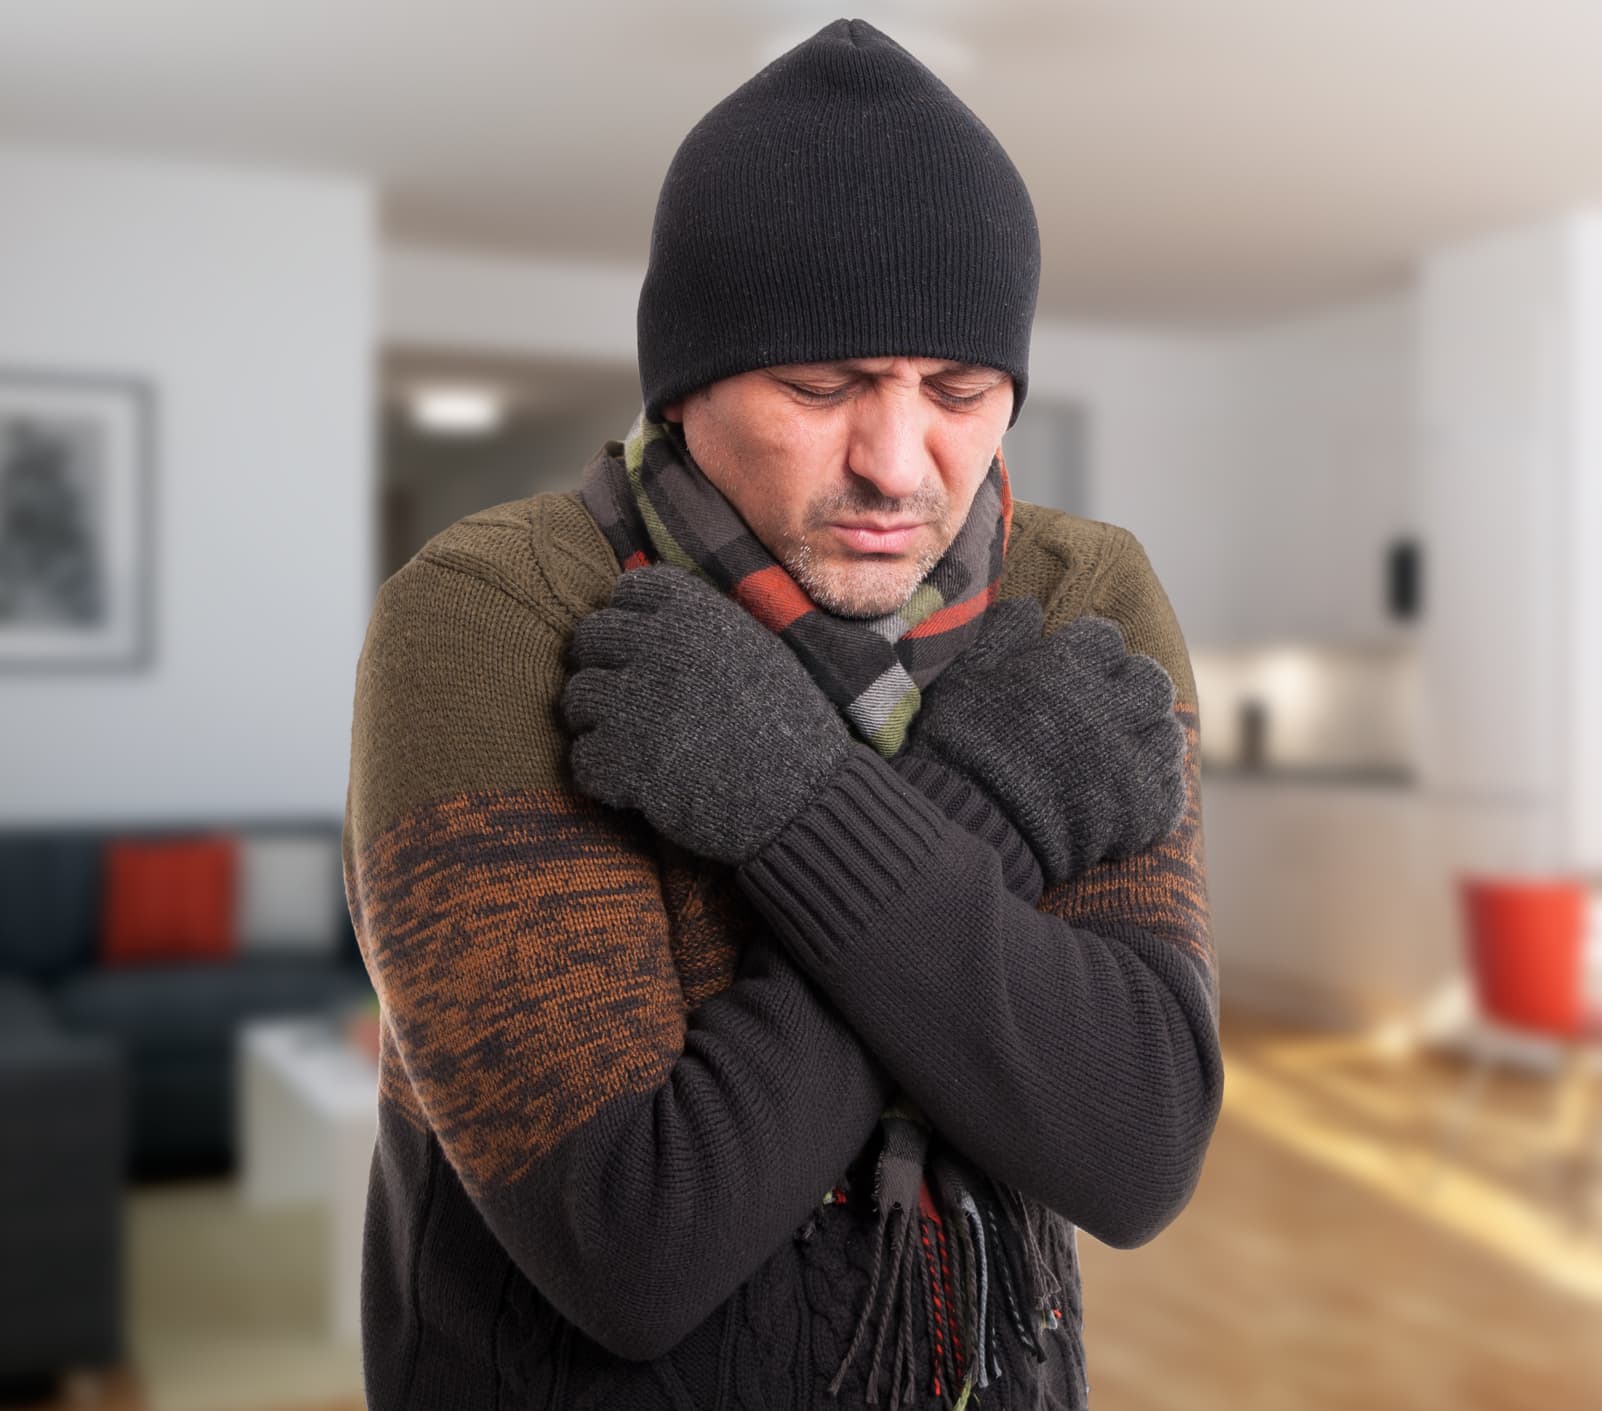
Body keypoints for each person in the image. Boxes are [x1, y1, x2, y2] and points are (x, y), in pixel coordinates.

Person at [342, 18, 1221, 1410]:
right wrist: (991, 810)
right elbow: (630, 1237)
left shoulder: (1082, 596)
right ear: (683, 388)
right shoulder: (488, 611)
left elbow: (1134, 1138)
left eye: (958, 390)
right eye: (819, 387)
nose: (894, 462)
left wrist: (794, 804)